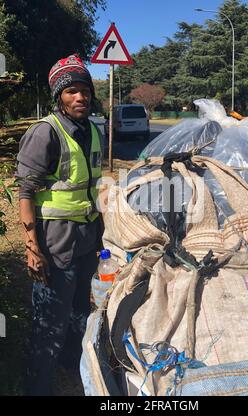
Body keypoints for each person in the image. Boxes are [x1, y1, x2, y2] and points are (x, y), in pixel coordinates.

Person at [16, 54, 104, 396]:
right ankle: (37, 385)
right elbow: (25, 193)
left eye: (84, 90)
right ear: (59, 97)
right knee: (50, 321)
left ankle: (72, 366)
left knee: (81, 310)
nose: (79, 97)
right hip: (53, 244)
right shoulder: (46, 133)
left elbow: (95, 186)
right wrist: (31, 248)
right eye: (71, 92)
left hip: (86, 240)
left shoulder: (93, 131)